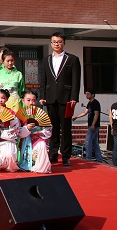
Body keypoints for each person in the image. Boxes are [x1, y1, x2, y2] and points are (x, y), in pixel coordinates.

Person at [39, 32, 81, 166]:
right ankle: (53, 154)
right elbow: (43, 79)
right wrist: (42, 95)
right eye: (54, 42)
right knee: (53, 127)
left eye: (59, 42)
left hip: (66, 98)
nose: (57, 44)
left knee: (66, 128)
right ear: (51, 43)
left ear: (64, 43)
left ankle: (66, 155)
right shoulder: (46, 60)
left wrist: (74, 97)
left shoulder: (72, 59)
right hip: (50, 98)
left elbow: (76, 80)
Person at [0, 89, 28, 172]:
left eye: (3, 98)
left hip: (7, 138)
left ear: (7, 99)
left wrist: (2, 130)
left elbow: (16, 128)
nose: (0, 100)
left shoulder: (11, 113)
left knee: (9, 156)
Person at [18, 91, 52, 173]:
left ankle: (41, 167)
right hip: (25, 139)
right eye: (28, 100)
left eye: (33, 100)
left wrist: (40, 132)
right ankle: (27, 165)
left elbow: (48, 128)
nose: (31, 103)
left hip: (38, 138)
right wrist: (27, 128)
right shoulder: (19, 115)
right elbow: (17, 131)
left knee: (42, 145)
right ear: (23, 101)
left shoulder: (41, 114)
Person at [73, 90, 103, 162]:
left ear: (92, 95)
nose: (86, 95)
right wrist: (76, 117)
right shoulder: (89, 103)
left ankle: (88, 158)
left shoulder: (95, 103)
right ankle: (99, 158)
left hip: (94, 125)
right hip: (90, 124)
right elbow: (85, 112)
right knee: (94, 142)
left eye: (88, 94)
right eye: (86, 94)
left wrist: (93, 124)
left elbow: (96, 114)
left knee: (88, 141)